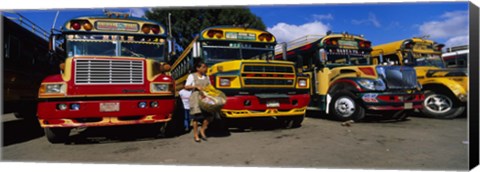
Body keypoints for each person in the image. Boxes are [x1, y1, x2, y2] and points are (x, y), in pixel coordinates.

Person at [184, 61, 212, 142]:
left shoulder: (207, 77)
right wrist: (195, 86)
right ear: (197, 68)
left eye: (205, 67)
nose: (205, 69)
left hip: (205, 98)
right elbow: (186, 86)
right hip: (196, 98)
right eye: (203, 67)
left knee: (209, 116)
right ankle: (196, 135)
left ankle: (202, 130)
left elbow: (209, 86)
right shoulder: (192, 76)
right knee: (196, 118)